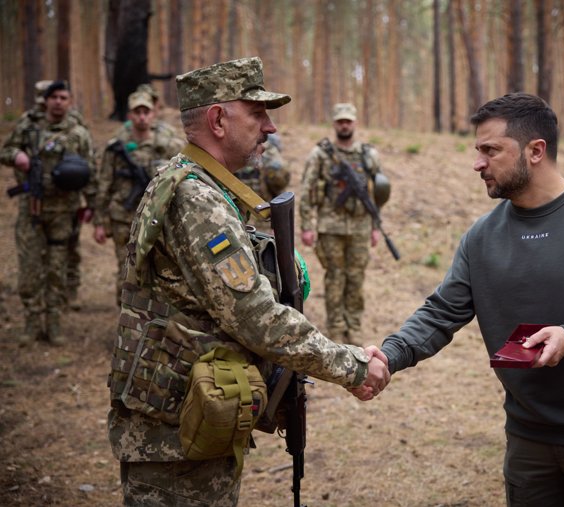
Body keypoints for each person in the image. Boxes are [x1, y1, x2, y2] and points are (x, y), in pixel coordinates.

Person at [368, 93, 564, 506]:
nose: (478, 163)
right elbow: (442, 312)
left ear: (535, 150)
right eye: (478, 151)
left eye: (490, 150)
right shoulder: (482, 237)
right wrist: (390, 355)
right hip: (528, 438)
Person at [106, 57, 390, 506]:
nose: (270, 127)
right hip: (174, 435)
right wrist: (352, 365)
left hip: (182, 420)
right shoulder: (198, 199)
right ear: (218, 119)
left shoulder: (192, 182)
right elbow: (257, 319)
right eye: (257, 113)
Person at [0, 80, 96, 345]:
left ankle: (53, 324)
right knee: (30, 267)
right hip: (32, 208)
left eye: (63, 97)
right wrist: (17, 156)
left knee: (57, 268)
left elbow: (91, 170)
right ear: (45, 100)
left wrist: (91, 205)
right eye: (53, 97)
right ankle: (31, 322)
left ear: (69, 100)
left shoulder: (78, 133)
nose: (57, 102)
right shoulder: (29, 126)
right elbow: (6, 150)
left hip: (63, 212)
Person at [299, 103, 386, 344]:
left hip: (360, 226)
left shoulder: (369, 155)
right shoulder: (320, 155)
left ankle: (354, 326)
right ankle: (336, 327)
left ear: (355, 123)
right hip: (330, 226)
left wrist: (375, 227)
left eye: (348, 121)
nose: (344, 125)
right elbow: (307, 190)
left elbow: (378, 193)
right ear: (334, 123)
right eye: (340, 121)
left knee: (356, 277)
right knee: (335, 277)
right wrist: (307, 226)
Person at [93, 89, 184, 305]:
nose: (142, 116)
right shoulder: (116, 146)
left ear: (153, 114)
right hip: (123, 218)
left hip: (156, 218)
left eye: (146, 111)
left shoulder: (169, 143)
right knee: (126, 270)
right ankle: (125, 322)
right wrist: (99, 222)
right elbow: (104, 183)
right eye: (137, 112)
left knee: (159, 271)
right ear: (130, 115)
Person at [237, 132, 290, 231]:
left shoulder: (270, 150)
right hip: (239, 220)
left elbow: (280, 187)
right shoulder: (237, 148)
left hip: (264, 221)